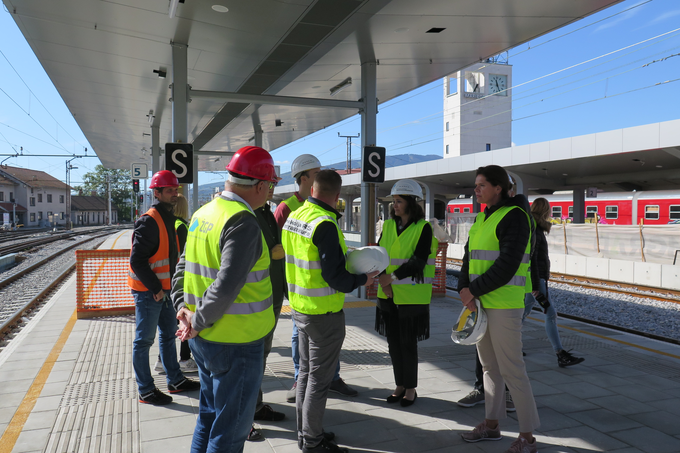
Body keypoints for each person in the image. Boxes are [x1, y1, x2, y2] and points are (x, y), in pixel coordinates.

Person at [171, 146, 279, 453]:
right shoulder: (243, 221)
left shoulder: (203, 213)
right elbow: (227, 285)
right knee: (231, 431)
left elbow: (182, 265)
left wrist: (183, 309)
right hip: (237, 343)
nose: (270, 193)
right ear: (260, 186)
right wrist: (198, 320)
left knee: (209, 417)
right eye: (270, 186)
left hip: (203, 339)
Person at [282, 170, 378, 453]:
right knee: (318, 381)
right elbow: (335, 277)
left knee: (305, 375)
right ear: (337, 197)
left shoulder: (295, 217)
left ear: (312, 189)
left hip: (299, 308)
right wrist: (364, 280)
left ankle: (305, 433)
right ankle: (312, 442)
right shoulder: (324, 224)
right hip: (323, 314)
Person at [458, 165, 540, 453]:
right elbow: (469, 257)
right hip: (481, 304)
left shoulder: (516, 217)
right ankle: (491, 426)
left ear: (499, 188)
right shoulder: (483, 217)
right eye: (476, 185)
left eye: (481, 185)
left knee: (512, 370)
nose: (476, 190)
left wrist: (472, 291)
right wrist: (463, 289)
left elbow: (507, 265)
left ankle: (527, 438)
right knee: (489, 369)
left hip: (504, 306)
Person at [275, 154, 357, 402]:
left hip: (315, 295)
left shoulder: (316, 208)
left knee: (319, 355)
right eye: (315, 172)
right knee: (308, 359)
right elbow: (277, 249)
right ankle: (301, 382)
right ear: (304, 179)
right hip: (303, 292)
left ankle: (331, 378)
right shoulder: (287, 208)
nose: (320, 175)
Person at [128, 170, 200, 406]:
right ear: (156, 192)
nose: (174, 194)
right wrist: (156, 288)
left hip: (165, 291)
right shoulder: (149, 220)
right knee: (143, 341)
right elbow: (137, 261)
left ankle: (175, 380)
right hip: (150, 292)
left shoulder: (169, 218)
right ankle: (146, 390)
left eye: (175, 189)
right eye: (169, 190)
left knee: (169, 335)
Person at [375, 179, 437, 408]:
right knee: (393, 343)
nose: (395, 205)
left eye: (399, 201)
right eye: (394, 201)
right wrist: (385, 283)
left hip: (412, 297)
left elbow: (418, 261)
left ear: (411, 202)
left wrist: (389, 279)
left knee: (408, 343)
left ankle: (410, 388)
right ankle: (399, 385)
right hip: (388, 295)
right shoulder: (388, 226)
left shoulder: (424, 228)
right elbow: (379, 255)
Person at [248, 169, 287, 442]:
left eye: (275, 183)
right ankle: (243, 418)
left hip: (271, 298)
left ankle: (255, 406)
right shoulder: (247, 215)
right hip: (251, 303)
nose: (272, 187)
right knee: (248, 363)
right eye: (269, 183)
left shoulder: (266, 213)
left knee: (259, 359)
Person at [524, 197, 584, 367]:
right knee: (550, 314)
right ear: (545, 211)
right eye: (549, 210)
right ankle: (560, 354)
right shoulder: (535, 229)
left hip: (534, 278)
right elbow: (534, 258)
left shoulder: (535, 228)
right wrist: (536, 285)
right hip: (536, 278)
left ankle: (511, 345)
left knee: (522, 311)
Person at [154, 193, 198, 374]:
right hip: (180, 280)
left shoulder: (172, 224)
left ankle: (161, 360)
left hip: (168, 279)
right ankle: (185, 359)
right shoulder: (182, 227)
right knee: (182, 320)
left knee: (171, 325)